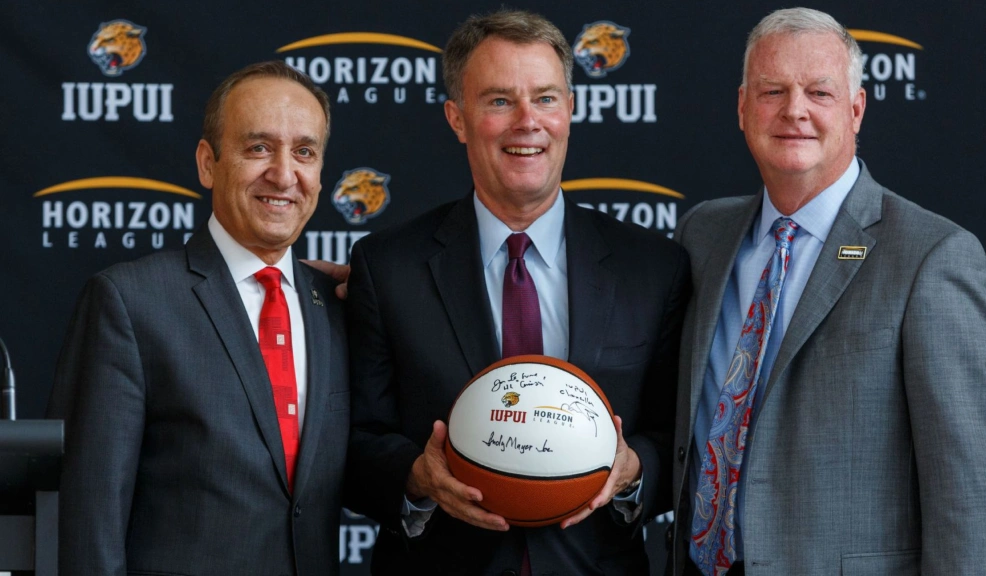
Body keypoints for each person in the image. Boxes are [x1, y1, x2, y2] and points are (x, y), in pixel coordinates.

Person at [341, 9, 687, 575]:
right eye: (499, 101)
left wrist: (633, 469)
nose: (528, 121)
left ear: (571, 110)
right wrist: (415, 476)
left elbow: (682, 438)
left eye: (546, 98)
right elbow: (351, 443)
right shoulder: (389, 267)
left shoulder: (653, 267)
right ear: (457, 117)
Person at [670, 7, 986, 576]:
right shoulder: (703, 237)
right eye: (771, 90)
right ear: (742, 108)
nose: (793, 110)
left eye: (819, 92)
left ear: (856, 110)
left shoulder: (931, 256)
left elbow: (969, 492)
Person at [47, 61, 350, 576]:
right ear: (208, 163)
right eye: (258, 148)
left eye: (304, 152)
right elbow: (88, 520)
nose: (284, 173)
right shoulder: (130, 302)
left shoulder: (340, 307)